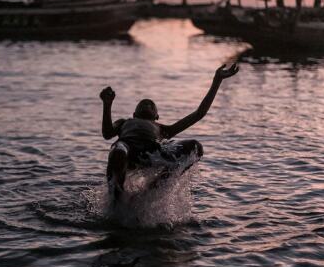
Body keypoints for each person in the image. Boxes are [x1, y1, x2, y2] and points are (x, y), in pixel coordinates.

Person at [100, 63, 239, 201]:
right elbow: (107, 133)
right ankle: (117, 195)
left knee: (195, 147)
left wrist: (217, 81)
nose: (147, 104)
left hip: (152, 151)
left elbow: (199, 114)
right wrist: (107, 104)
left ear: (157, 117)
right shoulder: (124, 122)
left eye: (151, 105)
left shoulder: (163, 130)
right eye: (143, 103)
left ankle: (153, 190)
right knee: (118, 150)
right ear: (134, 114)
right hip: (127, 148)